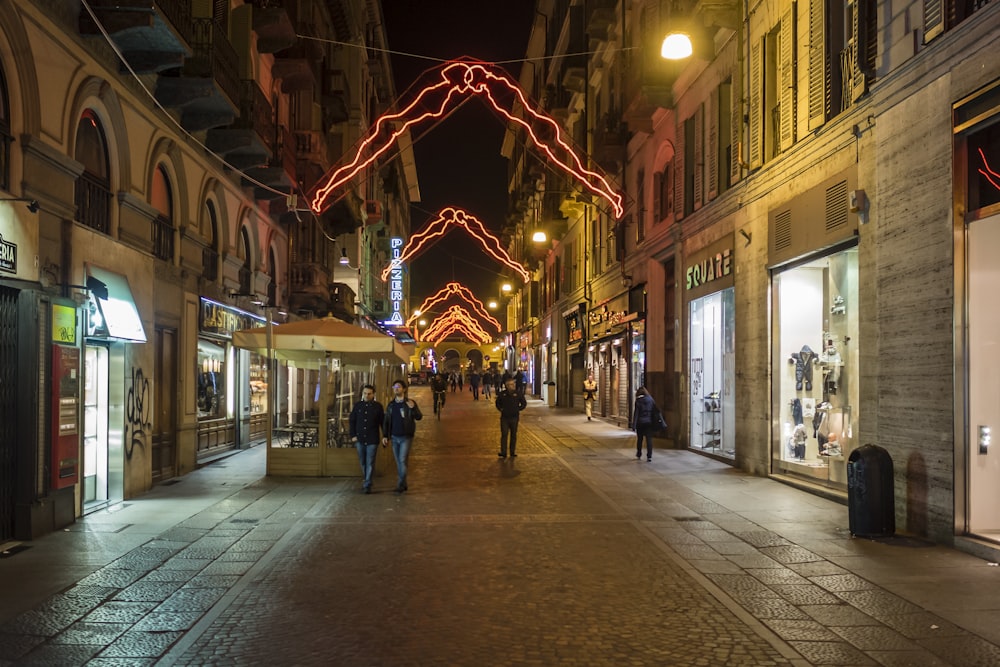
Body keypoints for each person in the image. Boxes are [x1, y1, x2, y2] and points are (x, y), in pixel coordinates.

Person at [382, 379, 423, 492]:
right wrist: (385, 435)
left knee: (401, 460)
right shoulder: (391, 405)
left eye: (399, 386)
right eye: (394, 387)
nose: (396, 388)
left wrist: (413, 408)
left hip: (406, 436)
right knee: (400, 462)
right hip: (394, 437)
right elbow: (386, 421)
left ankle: (400, 484)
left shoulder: (409, 402)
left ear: (404, 389)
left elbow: (419, 417)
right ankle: (404, 484)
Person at [349, 384, 384, 494]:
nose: (366, 396)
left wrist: (385, 435)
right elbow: (352, 421)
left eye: (369, 394)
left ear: (373, 394)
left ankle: (367, 483)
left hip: (372, 439)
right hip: (359, 438)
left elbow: (382, 422)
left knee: (370, 461)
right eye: (365, 393)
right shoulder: (358, 406)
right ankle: (367, 479)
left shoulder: (378, 407)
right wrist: (353, 435)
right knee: (362, 461)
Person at [495, 377, 527, 458]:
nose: (513, 386)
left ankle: (512, 452)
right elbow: (498, 403)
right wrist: (501, 409)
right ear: (507, 385)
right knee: (504, 434)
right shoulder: (502, 394)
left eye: (513, 384)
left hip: (514, 417)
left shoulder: (518, 393)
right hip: (505, 418)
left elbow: (523, 403)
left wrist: (518, 409)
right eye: (511, 384)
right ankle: (504, 452)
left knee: (513, 435)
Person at [631, 386, 663, 462]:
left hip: (640, 423)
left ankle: (639, 454)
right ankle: (649, 456)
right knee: (649, 439)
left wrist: (634, 425)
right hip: (649, 422)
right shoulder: (651, 399)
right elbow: (655, 410)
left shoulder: (638, 401)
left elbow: (636, 414)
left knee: (640, 439)